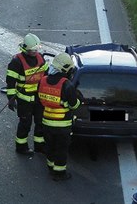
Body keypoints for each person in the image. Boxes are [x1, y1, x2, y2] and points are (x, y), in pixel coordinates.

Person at [37, 52, 81, 181]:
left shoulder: (43, 81)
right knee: (61, 150)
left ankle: (50, 167)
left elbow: (41, 99)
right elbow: (74, 105)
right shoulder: (67, 85)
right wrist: (72, 101)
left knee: (50, 147)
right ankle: (60, 173)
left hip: (46, 123)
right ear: (65, 69)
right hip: (62, 126)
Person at [6, 33, 49, 155]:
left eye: (36, 49)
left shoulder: (40, 58)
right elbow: (10, 83)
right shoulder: (16, 62)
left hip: (39, 99)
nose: (35, 52)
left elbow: (46, 77)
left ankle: (39, 146)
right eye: (32, 50)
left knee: (40, 122)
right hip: (24, 100)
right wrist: (11, 99)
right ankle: (21, 147)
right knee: (25, 123)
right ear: (25, 49)